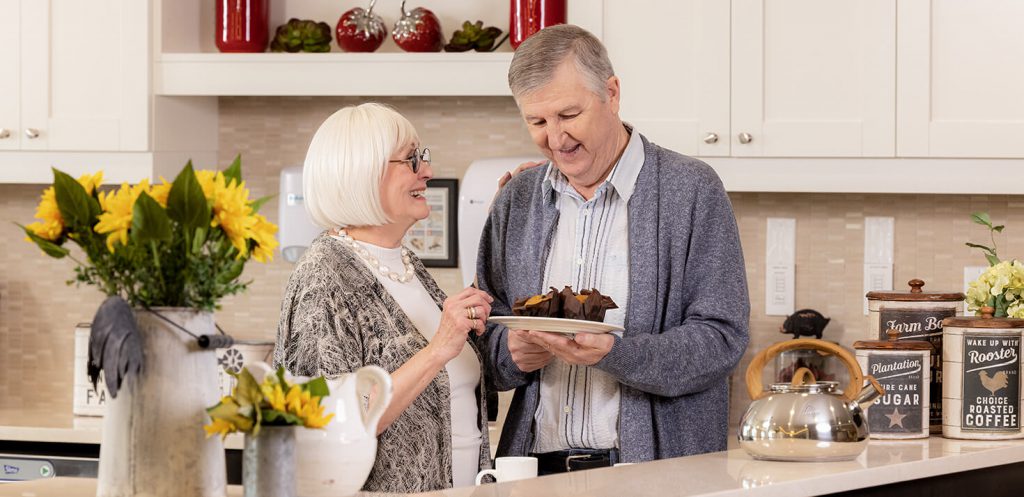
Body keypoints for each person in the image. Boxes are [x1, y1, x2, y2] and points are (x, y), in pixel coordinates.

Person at [476, 24, 750, 474]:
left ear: (612, 92)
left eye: (569, 115)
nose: (556, 139)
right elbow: (482, 336)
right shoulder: (517, 199)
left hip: (654, 473)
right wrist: (511, 355)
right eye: (537, 122)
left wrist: (614, 353)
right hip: (534, 472)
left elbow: (721, 340)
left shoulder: (691, 190)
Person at [275, 103, 494, 492]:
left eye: (422, 156)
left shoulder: (407, 265)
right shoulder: (323, 276)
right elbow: (329, 424)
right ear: (361, 173)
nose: (426, 170)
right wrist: (438, 348)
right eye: (411, 160)